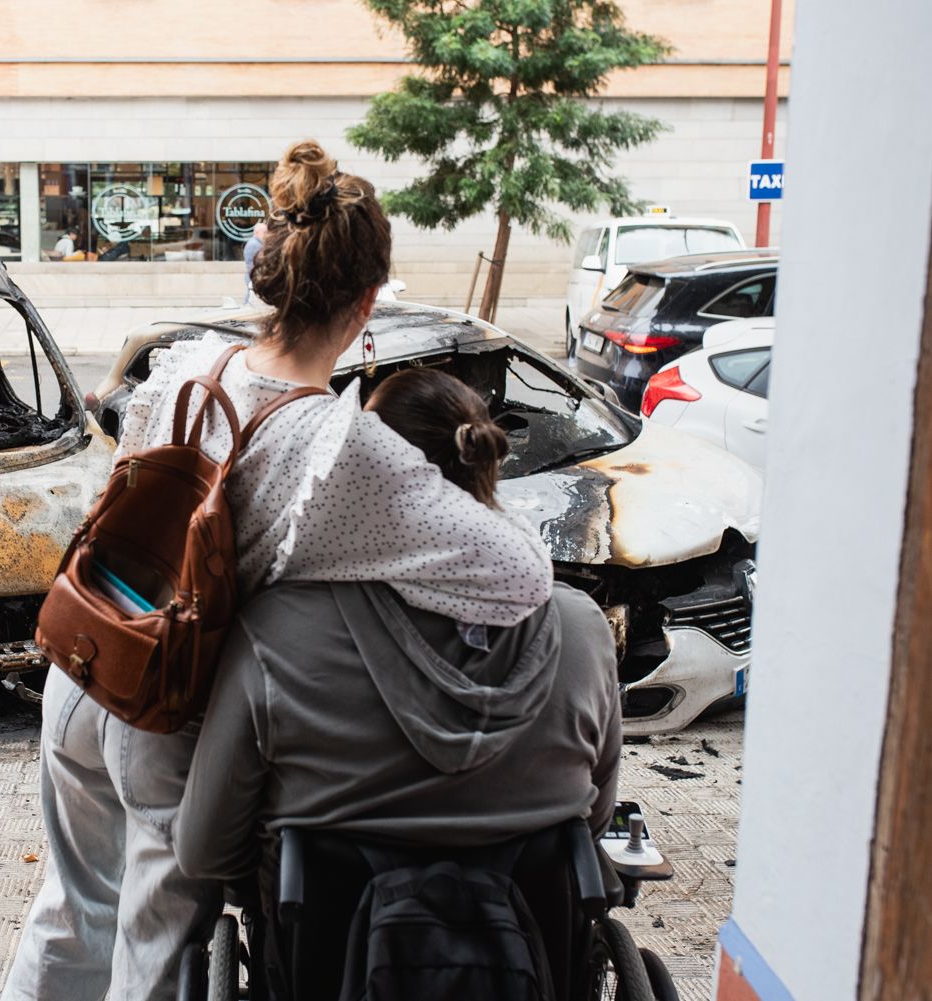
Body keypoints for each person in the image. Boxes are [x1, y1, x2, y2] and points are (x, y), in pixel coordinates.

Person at [0, 140, 552, 1001]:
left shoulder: (188, 369)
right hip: (166, 710)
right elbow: (521, 576)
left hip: (85, 660)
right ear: (367, 303)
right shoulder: (343, 452)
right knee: (152, 954)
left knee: (70, 914)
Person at [173, 366, 620, 890]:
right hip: (533, 927)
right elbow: (595, 816)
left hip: (328, 933)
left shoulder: (277, 632)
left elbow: (204, 853)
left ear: (370, 467)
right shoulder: (581, 626)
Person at [242, 221, 267, 304]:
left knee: (251, 295)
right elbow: (255, 263)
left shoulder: (256, 243)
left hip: (254, 275)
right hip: (254, 275)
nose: (266, 234)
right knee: (251, 296)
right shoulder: (254, 244)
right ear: (257, 232)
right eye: (264, 232)